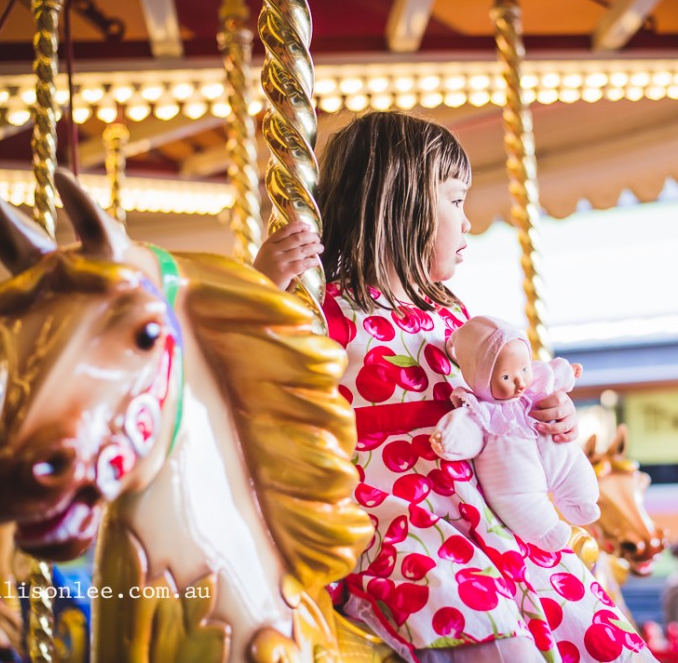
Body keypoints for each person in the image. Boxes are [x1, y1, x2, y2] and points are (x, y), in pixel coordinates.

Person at [255, 111, 657, 663]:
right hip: (396, 515)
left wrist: (548, 414)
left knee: (591, 624)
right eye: (455, 200)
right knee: (492, 632)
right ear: (402, 203)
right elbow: (255, 386)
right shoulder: (324, 311)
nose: (468, 221)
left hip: (484, 510)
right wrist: (262, 291)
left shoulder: (455, 320)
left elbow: (504, 402)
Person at [431, 315, 600, 551]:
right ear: (481, 378)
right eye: (506, 377)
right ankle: (546, 530)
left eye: (524, 369)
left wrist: (569, 372)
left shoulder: (534, 387)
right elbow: (467, 429)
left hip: (551, 444)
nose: (521, 382)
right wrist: (449, 440)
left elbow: (552, 373)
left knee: (572, 463)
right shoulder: (483, 412)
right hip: (514, 473)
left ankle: (581, 500)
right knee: (520, 498)